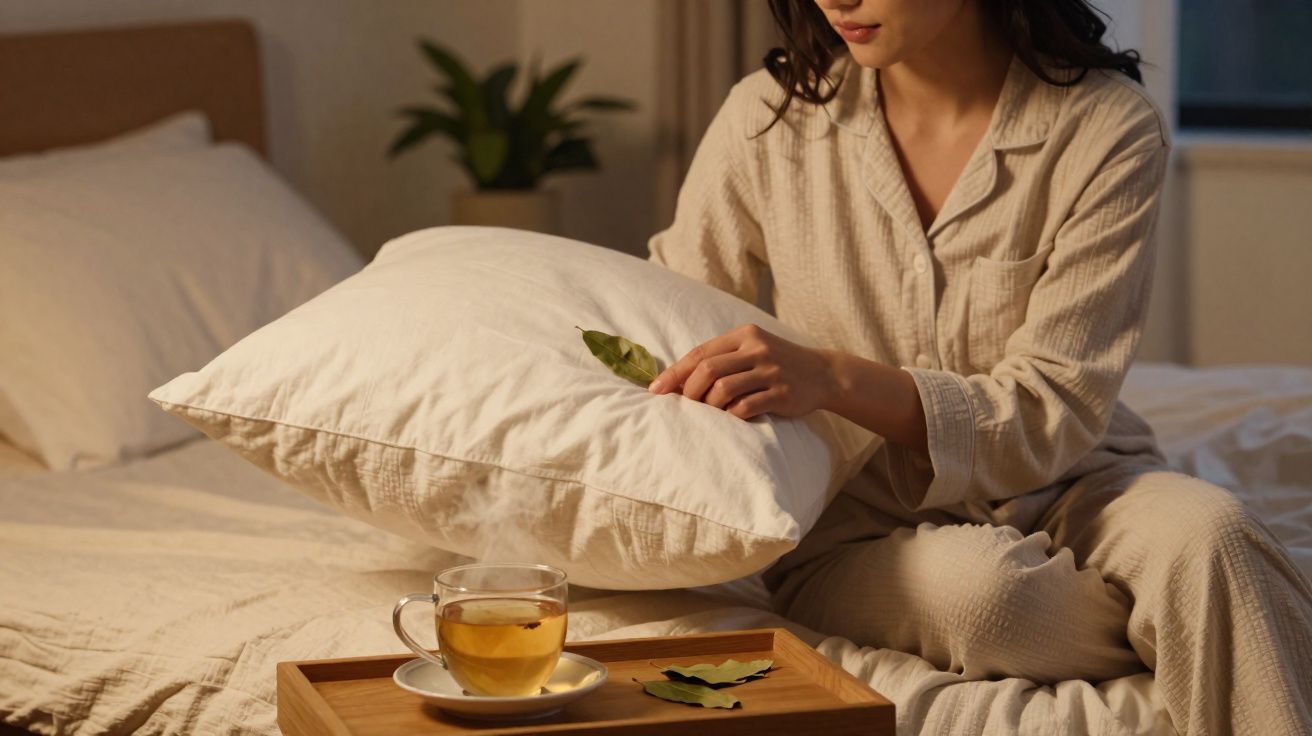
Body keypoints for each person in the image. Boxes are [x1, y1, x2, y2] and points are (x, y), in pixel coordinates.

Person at [645, 0, 1312, 733]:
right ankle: (1191, 632)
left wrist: (833, 379)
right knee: (991, 597)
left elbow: (1052, 406)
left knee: (1218, 535)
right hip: (857, 522)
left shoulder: (1107, 125)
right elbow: (666, 316)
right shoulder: (770, 116)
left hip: (1076, 480)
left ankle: (1204, 626)